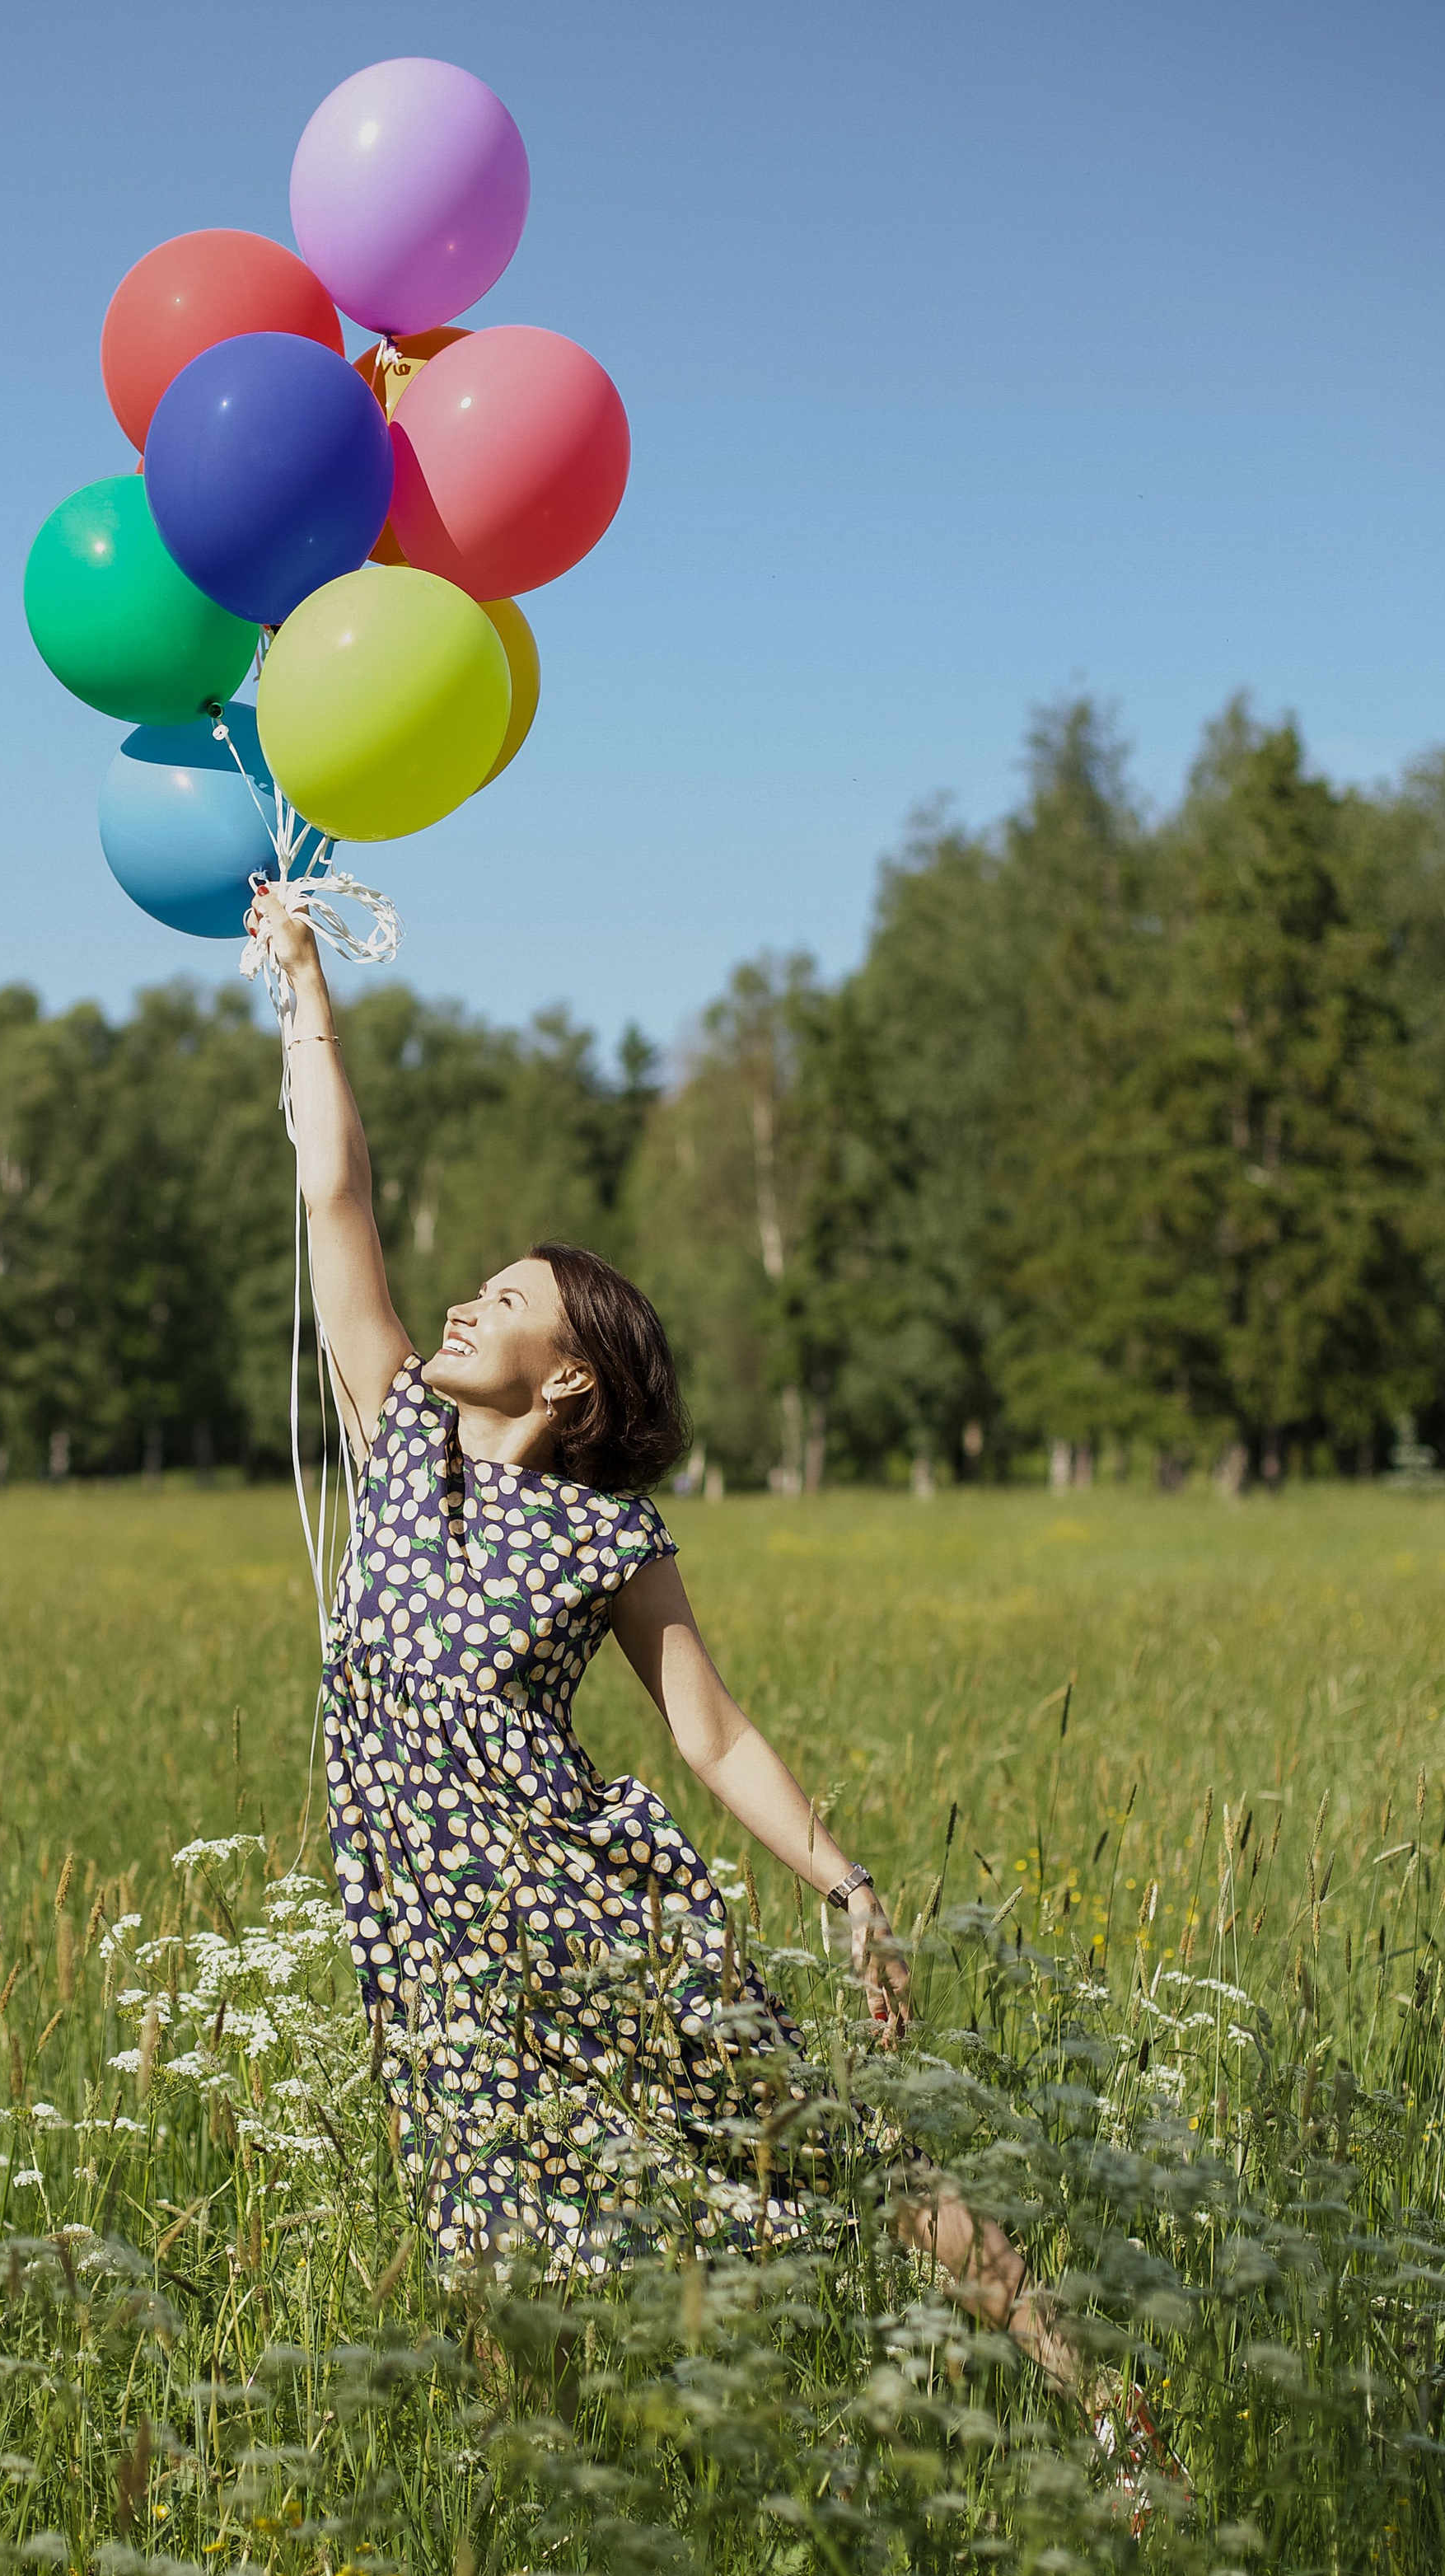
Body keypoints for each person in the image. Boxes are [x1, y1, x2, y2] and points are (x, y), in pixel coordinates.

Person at [248, 887, 1087, 2401]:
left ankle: (1102, 2406)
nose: (459, 1300)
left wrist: (850, 1885)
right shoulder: (395, 1447)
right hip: (437, 1951)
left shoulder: (609, 1536)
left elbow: (711, 1733)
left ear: (568, 1383)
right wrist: (305, 983)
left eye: (502, 1300)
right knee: (490, 2244)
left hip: (594, 1916)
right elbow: (335, 1197)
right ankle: (549, 2519)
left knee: (835, 2154)